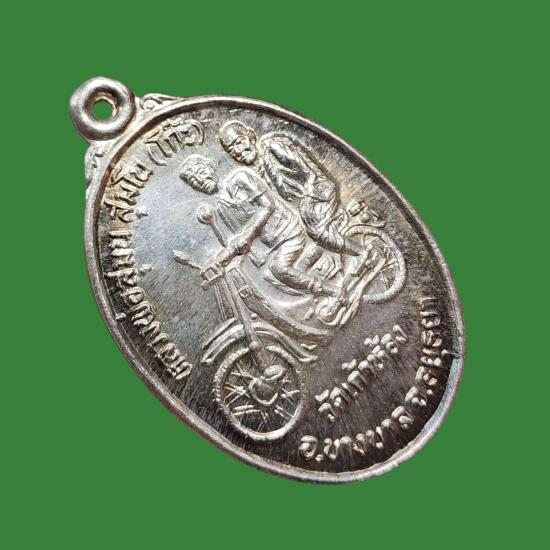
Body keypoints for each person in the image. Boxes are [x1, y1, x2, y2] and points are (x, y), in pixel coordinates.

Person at [179, 154, 342, 300]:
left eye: (201, 173)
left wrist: (247, 237)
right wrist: (222, 260)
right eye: (194, 181)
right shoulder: (222, 209)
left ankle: (333, 292)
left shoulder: (240, 178)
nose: (200, 181)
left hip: (288, 231)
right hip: (272, 245)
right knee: (271, 276)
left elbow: (268, 205)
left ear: (211, 168)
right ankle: (318, 256)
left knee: (279, 269)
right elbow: (240, 241)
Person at [219, 121, 365, 259]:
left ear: (251, 137)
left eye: (239, 142)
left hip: (318, 190)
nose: (238, 151)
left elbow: (308, 171)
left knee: (318, 232)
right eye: (231, 150)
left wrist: (308, 201)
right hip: (305, 202)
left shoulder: (272, 146)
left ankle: (362, 253)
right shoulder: (257, 171)